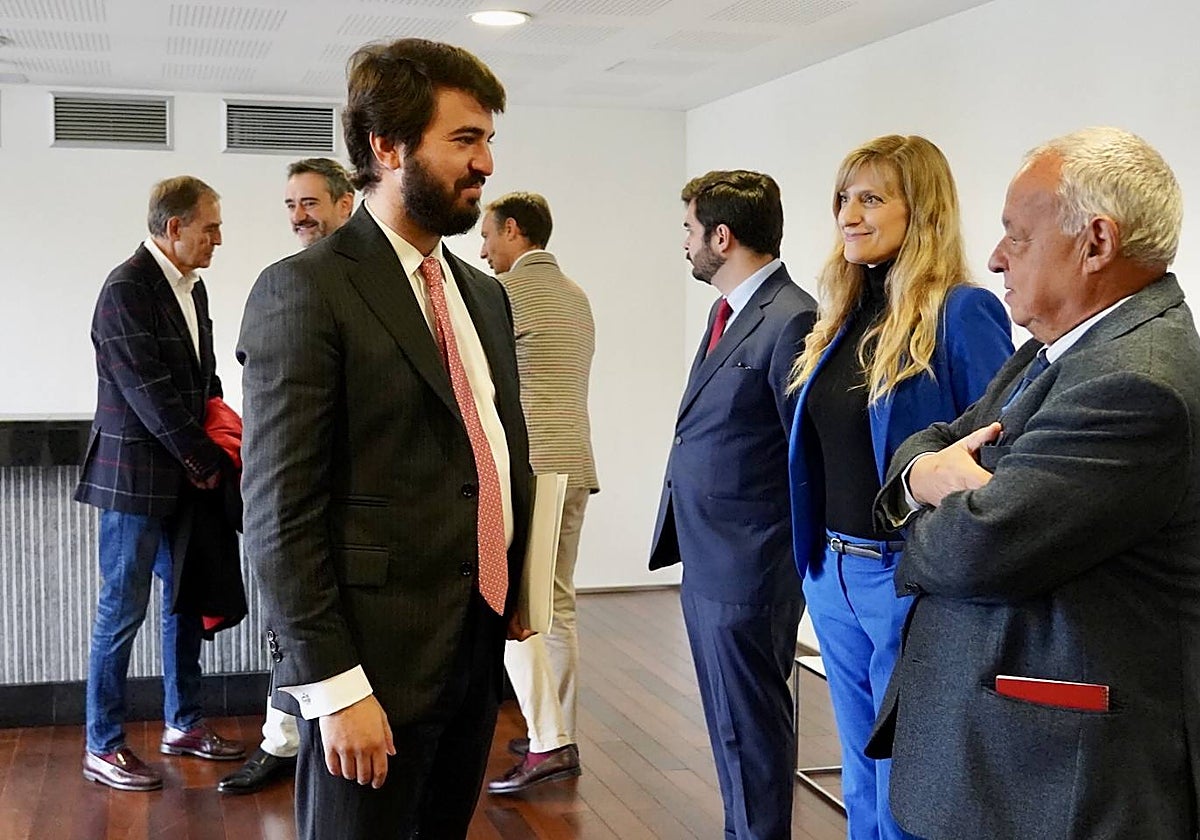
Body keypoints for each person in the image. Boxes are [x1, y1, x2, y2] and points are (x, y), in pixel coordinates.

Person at [237, 38, 532, 840]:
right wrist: (333, 686)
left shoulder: (482, 294)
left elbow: (496, 446)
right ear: (388, 146)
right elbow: (277, 513)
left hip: (472, 648)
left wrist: (517, 580)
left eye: (489, 142)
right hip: (369, 668)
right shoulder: (305, 289)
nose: (486, 165)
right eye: (465, 141)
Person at [868, 127, 1199, 839]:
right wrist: (929, 475)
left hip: (1053, 780)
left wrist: (930, 503)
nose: (993, 258)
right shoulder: (1058, 349)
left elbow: (971, 553)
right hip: (1013, 762)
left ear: (1097, 242)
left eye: (1016, 236)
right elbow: (924, 447)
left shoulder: (1134, 382)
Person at [786, 135, 1012, 840]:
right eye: (844, 199)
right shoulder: (844, 317)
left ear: (923, 209)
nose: (849, 215)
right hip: (831, 573)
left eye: (871, 198)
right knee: (858, 767)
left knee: (907, 773)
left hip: (904, 578)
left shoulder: (962, 311)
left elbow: (998, 451)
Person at [649, 170, 816, 840]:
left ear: (723, 236)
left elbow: (805, 454)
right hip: (713, 555)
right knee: (729, 724)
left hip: (752, 563)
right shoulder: (736, 312)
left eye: (690, 231)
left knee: (750, 728)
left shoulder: (791, 315)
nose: (685, 245)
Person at [76, 175, 245, 792]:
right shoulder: (126, 288)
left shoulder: (192, 289)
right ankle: (103, 744)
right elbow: (147, 392)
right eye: (211, 228)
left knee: (183, 603)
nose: (218, 240)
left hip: (184, 478)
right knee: (121, 612)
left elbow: (205, 375)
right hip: (134, 481)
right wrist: (206, 460)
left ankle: (184, 723)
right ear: (174, 228)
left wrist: (223, 426)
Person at [217, 157, 355, 796]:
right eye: (292, 205)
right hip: (296, 494)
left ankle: (296, 742)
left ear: (345, 202)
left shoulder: (370, 281)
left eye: (311, 203)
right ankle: (284, 741)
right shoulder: (287, 284)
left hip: (356, 504)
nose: (300, 215)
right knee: (287, 620)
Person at [477, 192, 599, 794]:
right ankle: (556, 731)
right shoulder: (576, 296)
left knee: (515, 611)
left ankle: (549, 742)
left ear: (515, 231)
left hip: (532, 473)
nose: (482, 248)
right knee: (557, 605)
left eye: (488, 235)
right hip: (576, 466)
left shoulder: (503, 295)